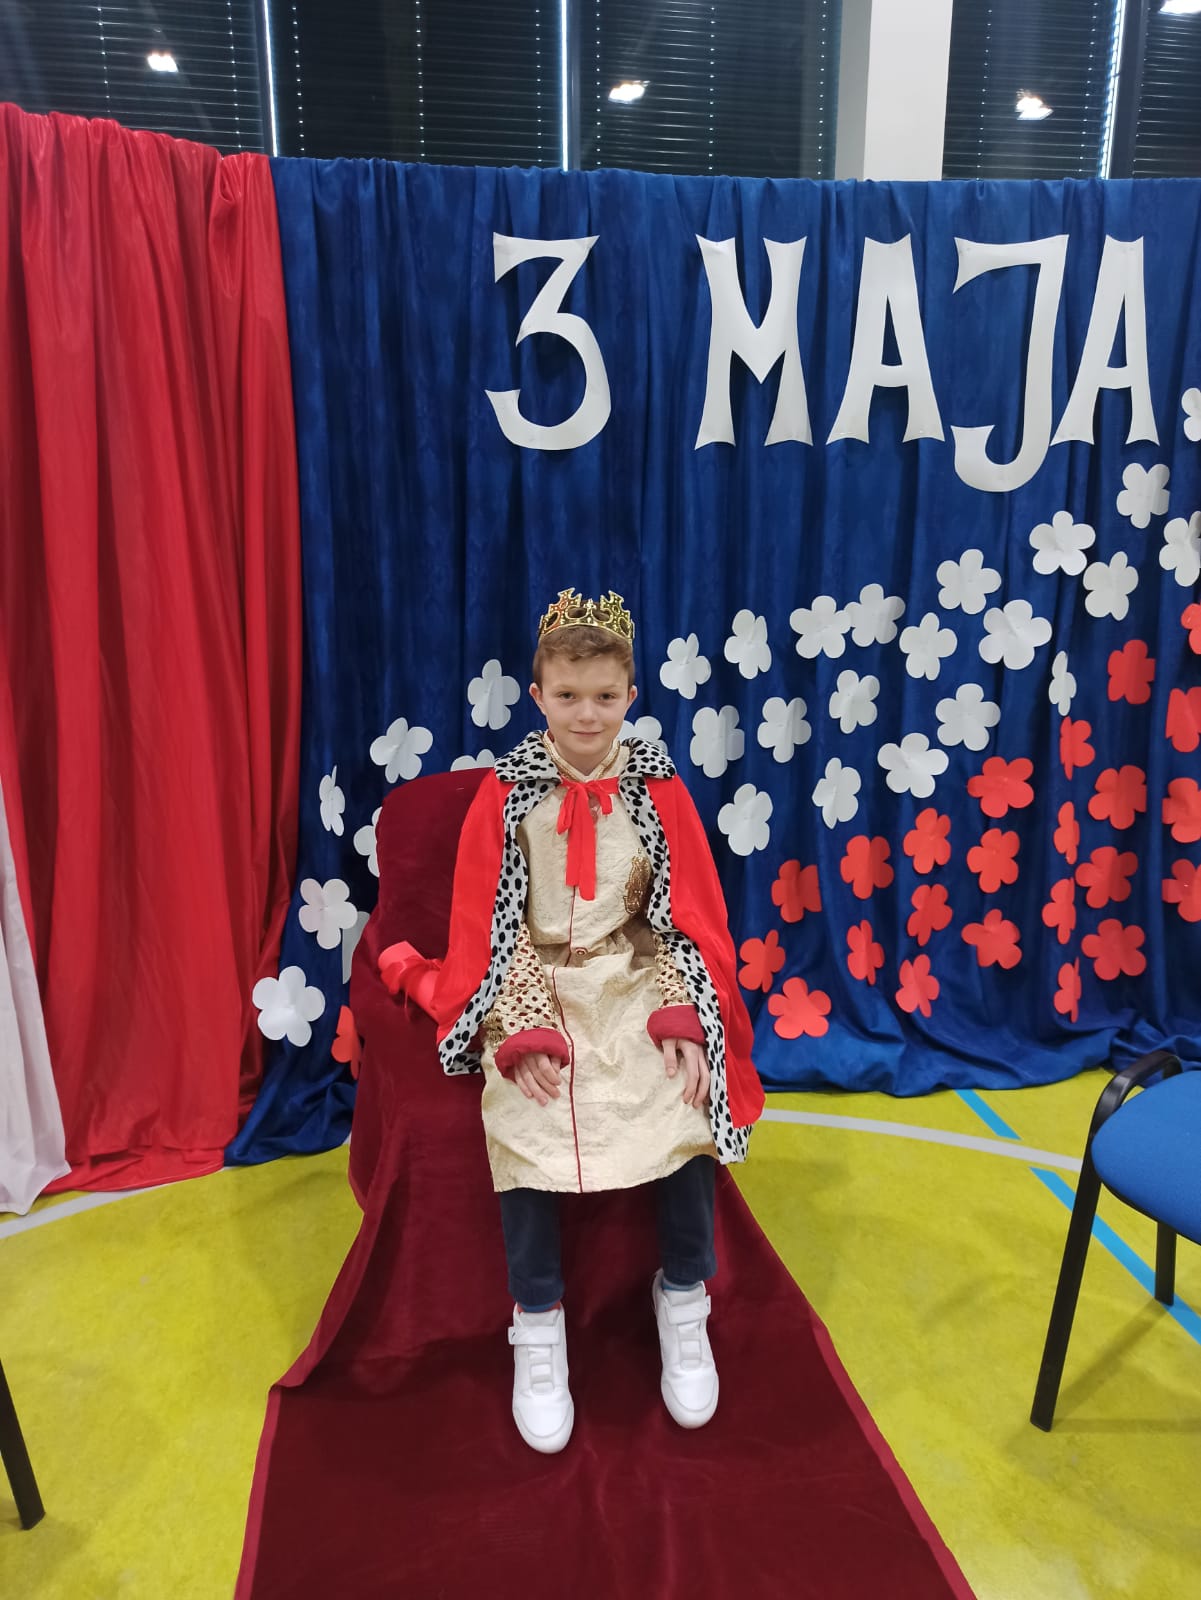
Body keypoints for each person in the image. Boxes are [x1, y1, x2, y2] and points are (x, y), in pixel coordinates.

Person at [387, 588, 763, 1454]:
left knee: (682, 1095)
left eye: (603, 696)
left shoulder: (657, 789)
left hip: (631, 975)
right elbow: (487, 923)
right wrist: (519, 1021)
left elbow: (684, 916)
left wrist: (680, 1009)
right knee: (524, 1114)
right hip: (535, 978)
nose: (585, 715)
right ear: (537, 695)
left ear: (630, 695)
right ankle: (537, 1322)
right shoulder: (508, 794)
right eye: (567, 696)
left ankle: (683, 1297)